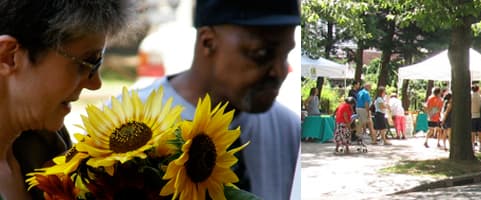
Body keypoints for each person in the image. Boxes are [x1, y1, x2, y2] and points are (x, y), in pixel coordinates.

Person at [127, 0, 300, 198]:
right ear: (208, 41)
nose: (280, 71)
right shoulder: (127, 128)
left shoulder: (288, 128)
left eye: (285, 54)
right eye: (261, 53)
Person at [0, 0, 134, 198]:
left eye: (98, 63)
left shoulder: (50, 141)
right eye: (87, 62)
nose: (95, 83)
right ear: (8, 56)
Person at [470, 85, 481, 152]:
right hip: (479, 115)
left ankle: (473, 146)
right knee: (480, 132)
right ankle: (480, 147)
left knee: (472, 132)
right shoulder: (480, 97)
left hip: (472, 116)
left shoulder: (471, 96)